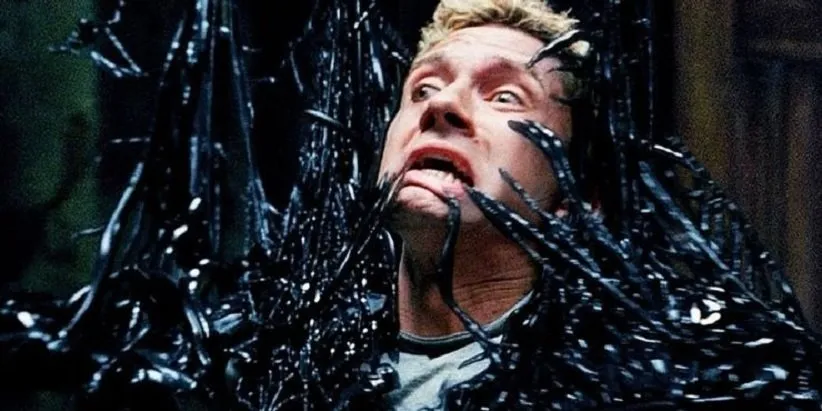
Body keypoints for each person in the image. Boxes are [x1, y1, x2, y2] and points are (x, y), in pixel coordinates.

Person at [376, 0, 591, 408]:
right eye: (424, 89)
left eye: (505, 97)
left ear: (575, 194)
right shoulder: (281, 361)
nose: (441, 105)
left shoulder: (614, 382)